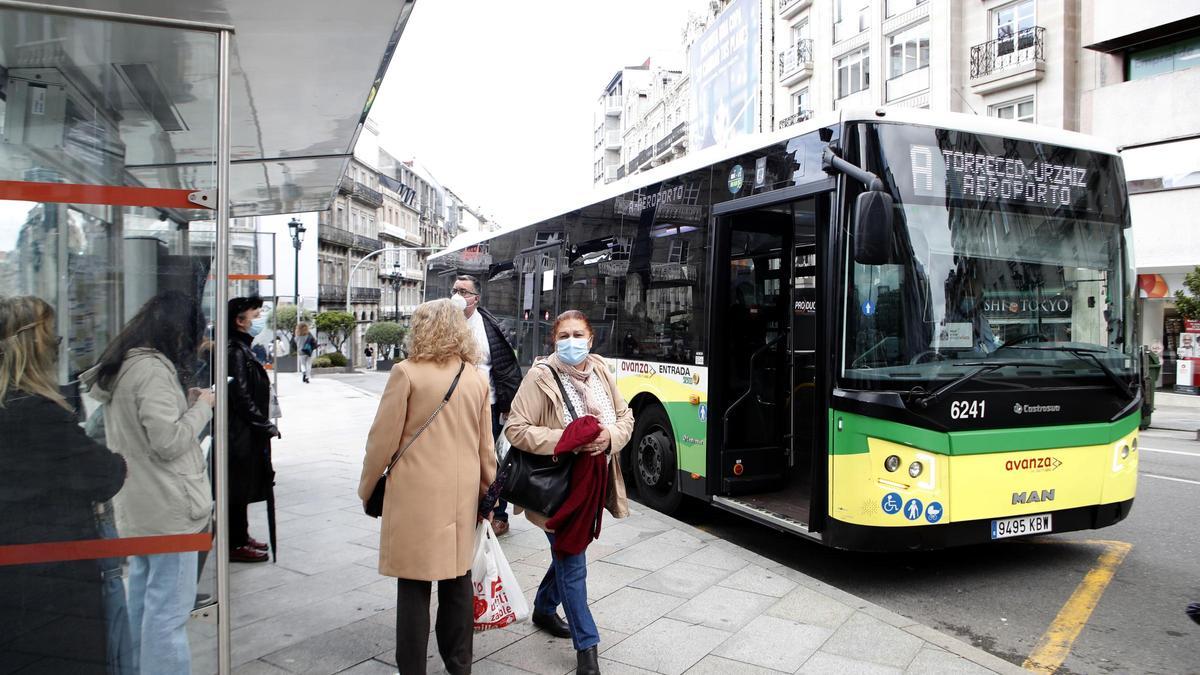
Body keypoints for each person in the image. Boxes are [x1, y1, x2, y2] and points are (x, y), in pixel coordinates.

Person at [357, 299, 495, 675]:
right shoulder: (474, 377)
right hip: (460, 495)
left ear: (421, 329)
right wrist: (488, 490)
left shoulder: (406, 373)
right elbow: (486, 446)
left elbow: (381, 441)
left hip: (415, 494)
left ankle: (413, 668)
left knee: (414, 587)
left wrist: (368, 486)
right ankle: (459, 663)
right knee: (457, 581)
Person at [82, 291, 214, 674]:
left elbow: (148, 432)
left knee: (143, 602)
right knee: (168, 616)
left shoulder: (125, 365)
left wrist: (185, 406)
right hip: (169, 507)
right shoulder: (152, 370)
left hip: (141, 504)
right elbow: (168, 442)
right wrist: (202, 407)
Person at [0, 296, 127, 672]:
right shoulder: (36, 413)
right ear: (33, 349)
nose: (58, 349)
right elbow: (106, 474)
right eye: (52, 340)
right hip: (50, 581)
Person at [505, 310, 635, 675]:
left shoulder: (601, 371)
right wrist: (568, 441)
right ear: (554, 341)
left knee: (567, 554)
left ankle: (545, 608)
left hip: (593, 484)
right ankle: (587, 648)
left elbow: (626, 417)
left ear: (590, 339)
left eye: (578, 334)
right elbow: (516, 428)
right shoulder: (540, 376)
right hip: (557, 486)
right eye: (564, 335)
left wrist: (610, 437)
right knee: (573, 564)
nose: (572, 342)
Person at [452, 274, 522, 536]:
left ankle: (498, 514)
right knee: (461, 459)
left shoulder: (489, 326)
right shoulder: (445, 324)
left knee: (494, 461)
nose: (458, 295)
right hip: (455, 405)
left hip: (489, 406)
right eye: (455, 290)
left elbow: (505, 367)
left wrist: (507, 404)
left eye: (464, 291)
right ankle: (466, 510)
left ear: (475, 298)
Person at [228, 296, 280, 563]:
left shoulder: (241, 348)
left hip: (245, 432)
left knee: (242, 486)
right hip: (239, 433)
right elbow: (240, 394)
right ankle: (235, 542)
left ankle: (241, 535)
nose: (258, 319)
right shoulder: (235, 351)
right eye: (255, 314)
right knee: (237, 488)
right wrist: (264, 424)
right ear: (240, 320)